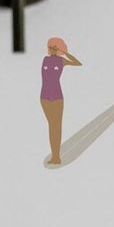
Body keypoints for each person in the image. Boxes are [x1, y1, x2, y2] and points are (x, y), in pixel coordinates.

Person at [39, 38, 81, 166]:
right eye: (51, 46)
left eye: (55, 47)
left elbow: (78, 63)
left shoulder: (61, 61)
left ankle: (56, 156)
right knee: (52, 125)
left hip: (57, 96)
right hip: (44, 96)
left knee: (56, 126)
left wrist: (64, 52)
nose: (52, 49)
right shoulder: (45, 60)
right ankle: (55, 155)